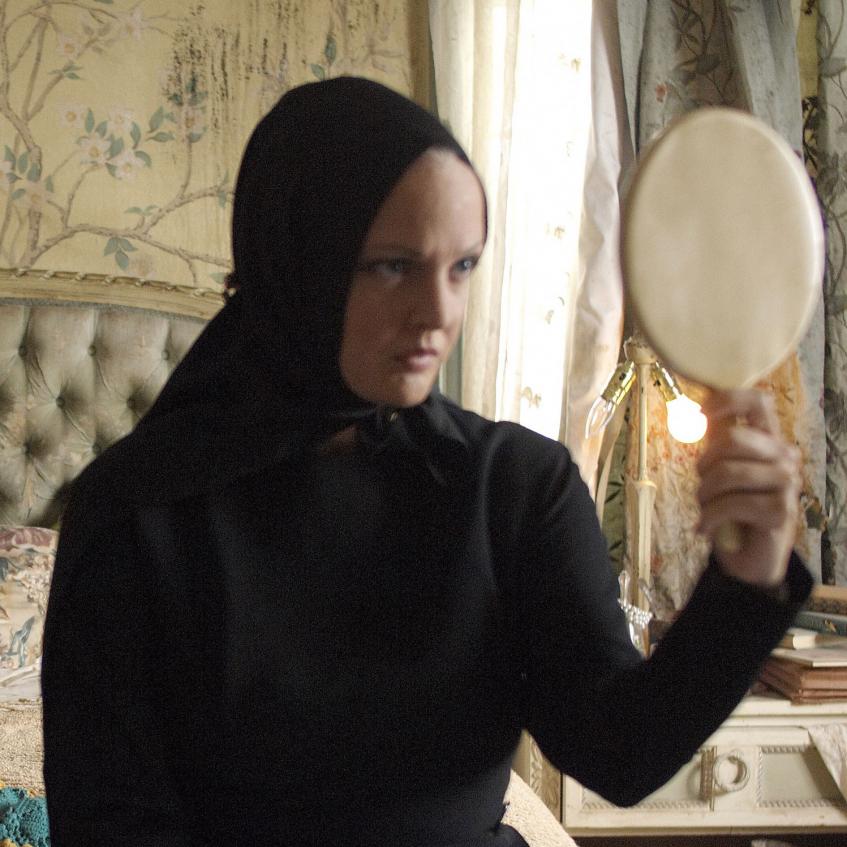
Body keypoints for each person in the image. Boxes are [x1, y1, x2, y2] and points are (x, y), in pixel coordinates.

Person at [42, 76, 811, 847]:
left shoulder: (514, 487)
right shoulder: (138, 514)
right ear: (300, 259)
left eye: (462, 266)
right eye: (393, 266)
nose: (439, 314)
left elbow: (618, 750)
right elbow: (114, 827)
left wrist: (746, 583)